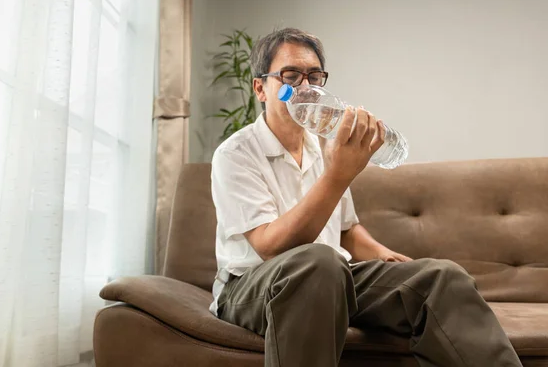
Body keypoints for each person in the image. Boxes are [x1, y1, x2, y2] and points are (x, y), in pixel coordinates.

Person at [209, 27, 522, 367]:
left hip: (331, 278)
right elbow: (269, 246)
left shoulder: (322, 148)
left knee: (441, 278)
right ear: (261, 88)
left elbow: (345, 230)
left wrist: (382, 254)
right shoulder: (236, 153)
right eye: (291, 76)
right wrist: (337, 175)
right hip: (251, 287)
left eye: (314, 76)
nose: (305, 88)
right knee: (319, 263)